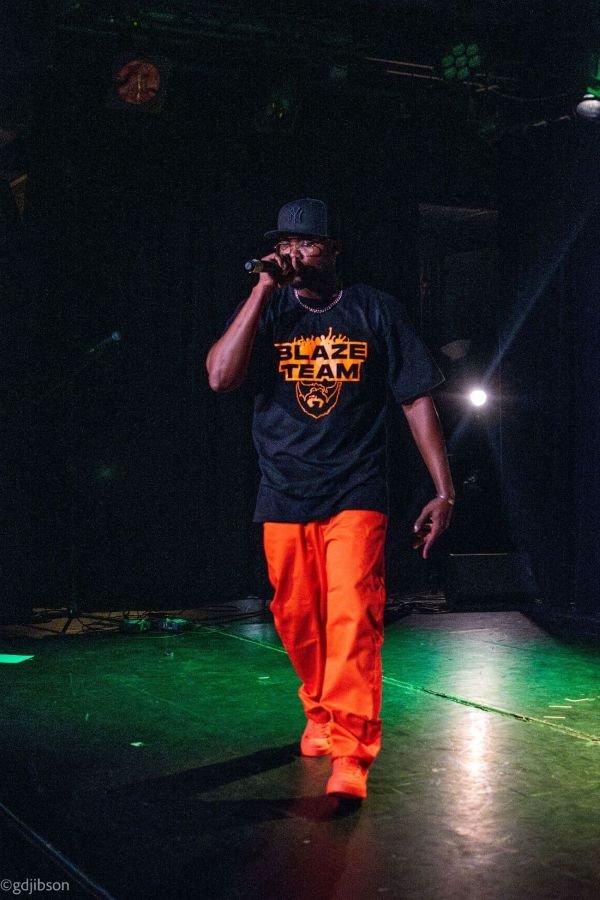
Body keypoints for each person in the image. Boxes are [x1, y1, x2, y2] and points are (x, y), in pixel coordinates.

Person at [206, 198, 454, 800]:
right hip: (283, 488)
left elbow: (415, 398)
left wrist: (444, 488)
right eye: (284, 244)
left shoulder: (375, 309)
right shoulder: (269, 308)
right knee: (294, 616)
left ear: (334, 249)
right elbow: (220, 376)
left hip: (355, 487)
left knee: (352, 615)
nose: (293, 253)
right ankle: (318, 709)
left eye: (307, 243)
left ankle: (352, 748)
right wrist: (262, 291)